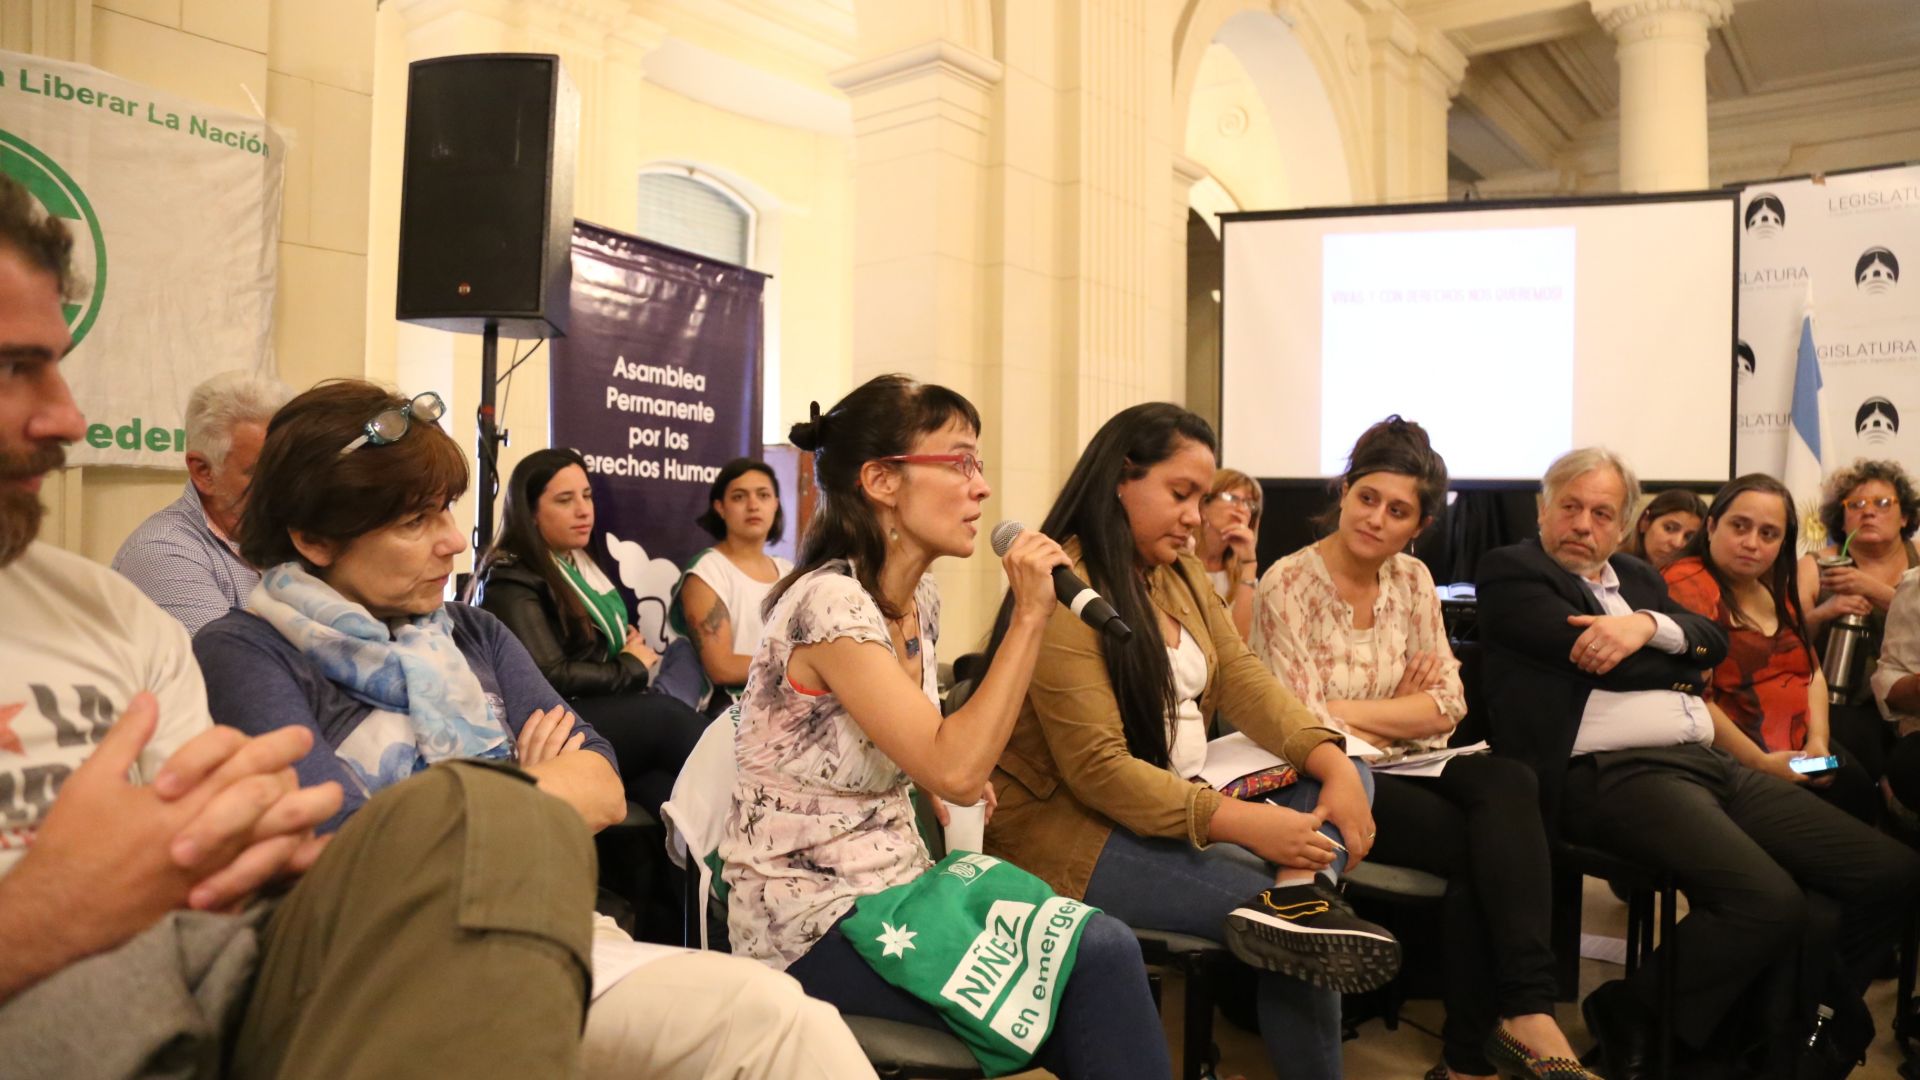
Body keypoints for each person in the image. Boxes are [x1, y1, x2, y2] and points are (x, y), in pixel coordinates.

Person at [0, 175, 597, 1079]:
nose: (70, 417)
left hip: (223, 969)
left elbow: (247, 868)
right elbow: (342, 846)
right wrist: (44, 915)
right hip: (177, 984)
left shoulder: (108, 616)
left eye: (56, 362)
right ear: (315, 537)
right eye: (12, 367)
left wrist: (473, 819)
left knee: (764, 1014)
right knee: (495, 829)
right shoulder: (234, 636)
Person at [194, 380, 877, 1080]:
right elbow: (341, 851)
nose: (452, 541)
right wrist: (529, 781)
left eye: (447, 511)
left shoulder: (473, 632)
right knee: (773, 1026)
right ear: (312, 537)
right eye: (413, 523)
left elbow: (604, 790)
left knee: (783, 1018)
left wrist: (436, 807)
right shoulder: (246, 651)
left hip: (555, 924)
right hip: (384, 966)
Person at [718, 375, 1172, 1079]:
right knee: (1097, 961)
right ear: (881, 481)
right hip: (809, 919)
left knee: (1091, 949)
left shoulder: (913, 598)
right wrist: (1029, 616)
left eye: (979, 465)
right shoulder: (828, 605)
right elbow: (953, 767)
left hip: (895, 882)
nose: (981, 488)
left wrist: (928, 774)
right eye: (959, 462)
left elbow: (923, 749)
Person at [981, 401, 1396, 1080]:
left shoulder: (1172, 572)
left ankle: (1299, 891)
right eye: (1181, 494)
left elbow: (1242, 679)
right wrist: (1250, 827)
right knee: (1308, 941)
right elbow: (1101, 774)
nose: (1197, 517)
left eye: (1202, 498)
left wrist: (1333, 759)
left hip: (1176, 793)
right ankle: (1300, 902)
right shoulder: (1067, 587)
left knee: (1347, 779)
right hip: (1077, 831)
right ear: (1121, 477)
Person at [1476, 447, 1920, 1080]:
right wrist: (1670, 649)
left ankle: (1786, 1019)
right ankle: (1638, 1013)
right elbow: (1606, 651)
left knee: (1891, 870)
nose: (1583, 525)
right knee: (1769, 902)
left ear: (1622, 520)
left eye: (1602, 513)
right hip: (1612, 773)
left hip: (1707, 762)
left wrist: (1643, 626)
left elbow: (1710, 646)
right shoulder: (1513, 570)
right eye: (1570, 508)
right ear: (1543, 509)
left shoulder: (1636, 577)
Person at [1255, 416, 1595, 1080]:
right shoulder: (1286, 584)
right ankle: (1487, 1046)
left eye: (1399, 510)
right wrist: (1390, 715)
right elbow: (1299, 722)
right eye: (1368, 498)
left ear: (1419, 525)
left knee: (1510, 783)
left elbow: (1448, 704)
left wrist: (1357, 712)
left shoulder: (1412, 582)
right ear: (1344, 493)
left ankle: (1516, 1019)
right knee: (1486, 848)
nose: (1378, 518)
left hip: (1411, 764)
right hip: (1332, 778)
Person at [470, 447, 706, 817]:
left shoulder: (576, 563)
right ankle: (762, 787)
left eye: (587, 496)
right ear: (530, 513)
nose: (584, 510)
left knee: (668, 796)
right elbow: (550, 676)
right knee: (664, 715)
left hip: (591, 704)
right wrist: (631, 665)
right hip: (549, 719)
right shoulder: (510, 577)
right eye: (565, 500)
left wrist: (620, 645)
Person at [1662, 474, 1880, 823]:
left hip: (1800, 747)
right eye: (1740, 526)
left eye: (1768, 534)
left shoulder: (1772, 583)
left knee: (1861, 791)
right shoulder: (1687, 583)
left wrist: (1819, 743)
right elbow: (1694, 697)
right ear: (1712, 525)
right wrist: (1759, 763)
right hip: (1736, 761)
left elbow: (1812, 673)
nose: (1752, 543)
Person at [111, 369, 291, 635]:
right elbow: (234, 668)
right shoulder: (163, 552)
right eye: (263, 471)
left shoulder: (290, 535)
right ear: (203, 472)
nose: (287, 483)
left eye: (291, 465)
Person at [1799, 459, 1920, 784]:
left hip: (1911, 700)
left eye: (1883, 503)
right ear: (1842, 518)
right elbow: (1788, 641)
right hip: (1841, 703)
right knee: (1848, 766)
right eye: (1856, 504)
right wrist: (1826, 612)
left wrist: (1873, 590)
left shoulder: (1919, 560)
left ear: (1905, 515)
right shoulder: (1815, 565)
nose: (1869, 512)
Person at [678, 457, 793, 712]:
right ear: (720, 507)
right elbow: (722, 667)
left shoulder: (790, 572)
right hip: (730, 711)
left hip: (790, 702)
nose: (753, 505)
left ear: (775, 504)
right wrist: (800, 665)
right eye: (739, 497)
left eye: (763, 495)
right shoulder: (707, 570)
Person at [1197, 466, 1262, 639]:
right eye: (1232, 498)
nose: (1242, 509)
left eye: (1249, 503)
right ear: (1203, 507)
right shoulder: (1179, 558)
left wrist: (1249, 564)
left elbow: (1240, 641)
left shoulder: (1241, 571)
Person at [1622, 487, 1705, 570]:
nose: (1677, 543)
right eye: (1669, 528)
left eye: (1689, 537)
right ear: (1645, 521)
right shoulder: (1613, 567)